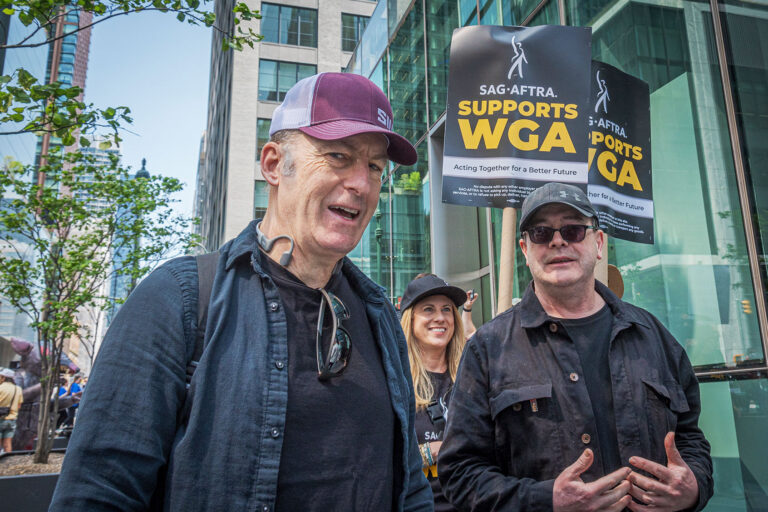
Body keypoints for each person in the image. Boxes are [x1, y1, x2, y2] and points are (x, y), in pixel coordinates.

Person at [50, 72, 433, 512]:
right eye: (338, 156)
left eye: (374, 167)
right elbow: (99, 492)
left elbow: (410, 488)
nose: (362, 185)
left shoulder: (379, 312)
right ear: (273, 164)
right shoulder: (178, 299)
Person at [439, 182, 713, 512]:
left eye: (573, 229)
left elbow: (690, 438)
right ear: (525, 250)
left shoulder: (653, 335)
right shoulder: (487, 348)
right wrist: (545, 500)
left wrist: (694, 486)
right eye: (541, 233)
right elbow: (459, 473)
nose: (558, 240)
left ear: (597, 244)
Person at [400, 274, 467, 512]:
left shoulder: (473, 375)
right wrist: (433, 451)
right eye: (428, 309)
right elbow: (381, 457)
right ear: (411, 318)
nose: (440, 317)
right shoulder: (397, 380)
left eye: (447, 309)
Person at [0, 367, 23, 455]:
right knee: (7, 444)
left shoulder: (0, 388)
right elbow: (19, 406)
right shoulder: (18, 389)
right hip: (12, 419)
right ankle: (7, 463)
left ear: (4, 378)